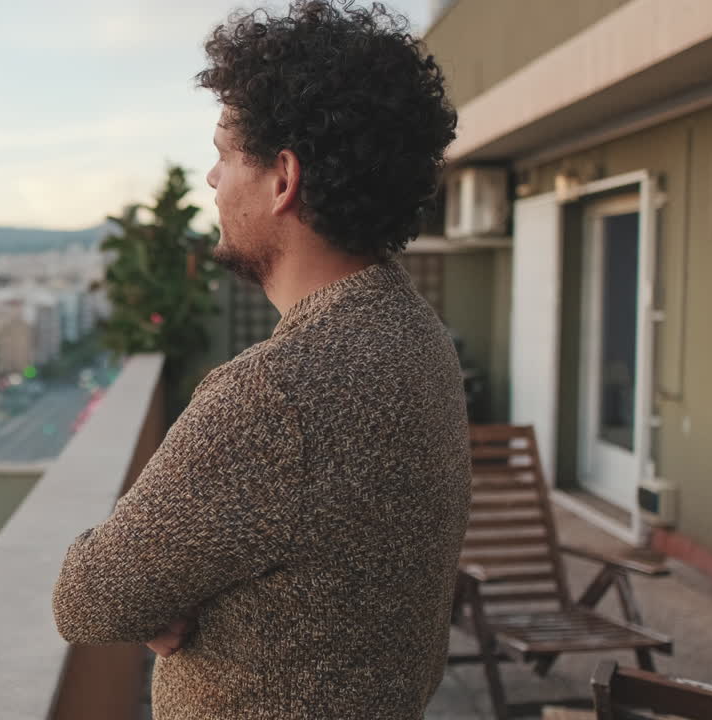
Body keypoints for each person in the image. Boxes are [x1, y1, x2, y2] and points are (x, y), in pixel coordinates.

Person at [51, 2, 469, 718]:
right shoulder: (419, 337)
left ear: (283, 178)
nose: (212, 179)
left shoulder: (275, 395)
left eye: (223, 152)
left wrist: (159, 597)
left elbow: (89, 600)